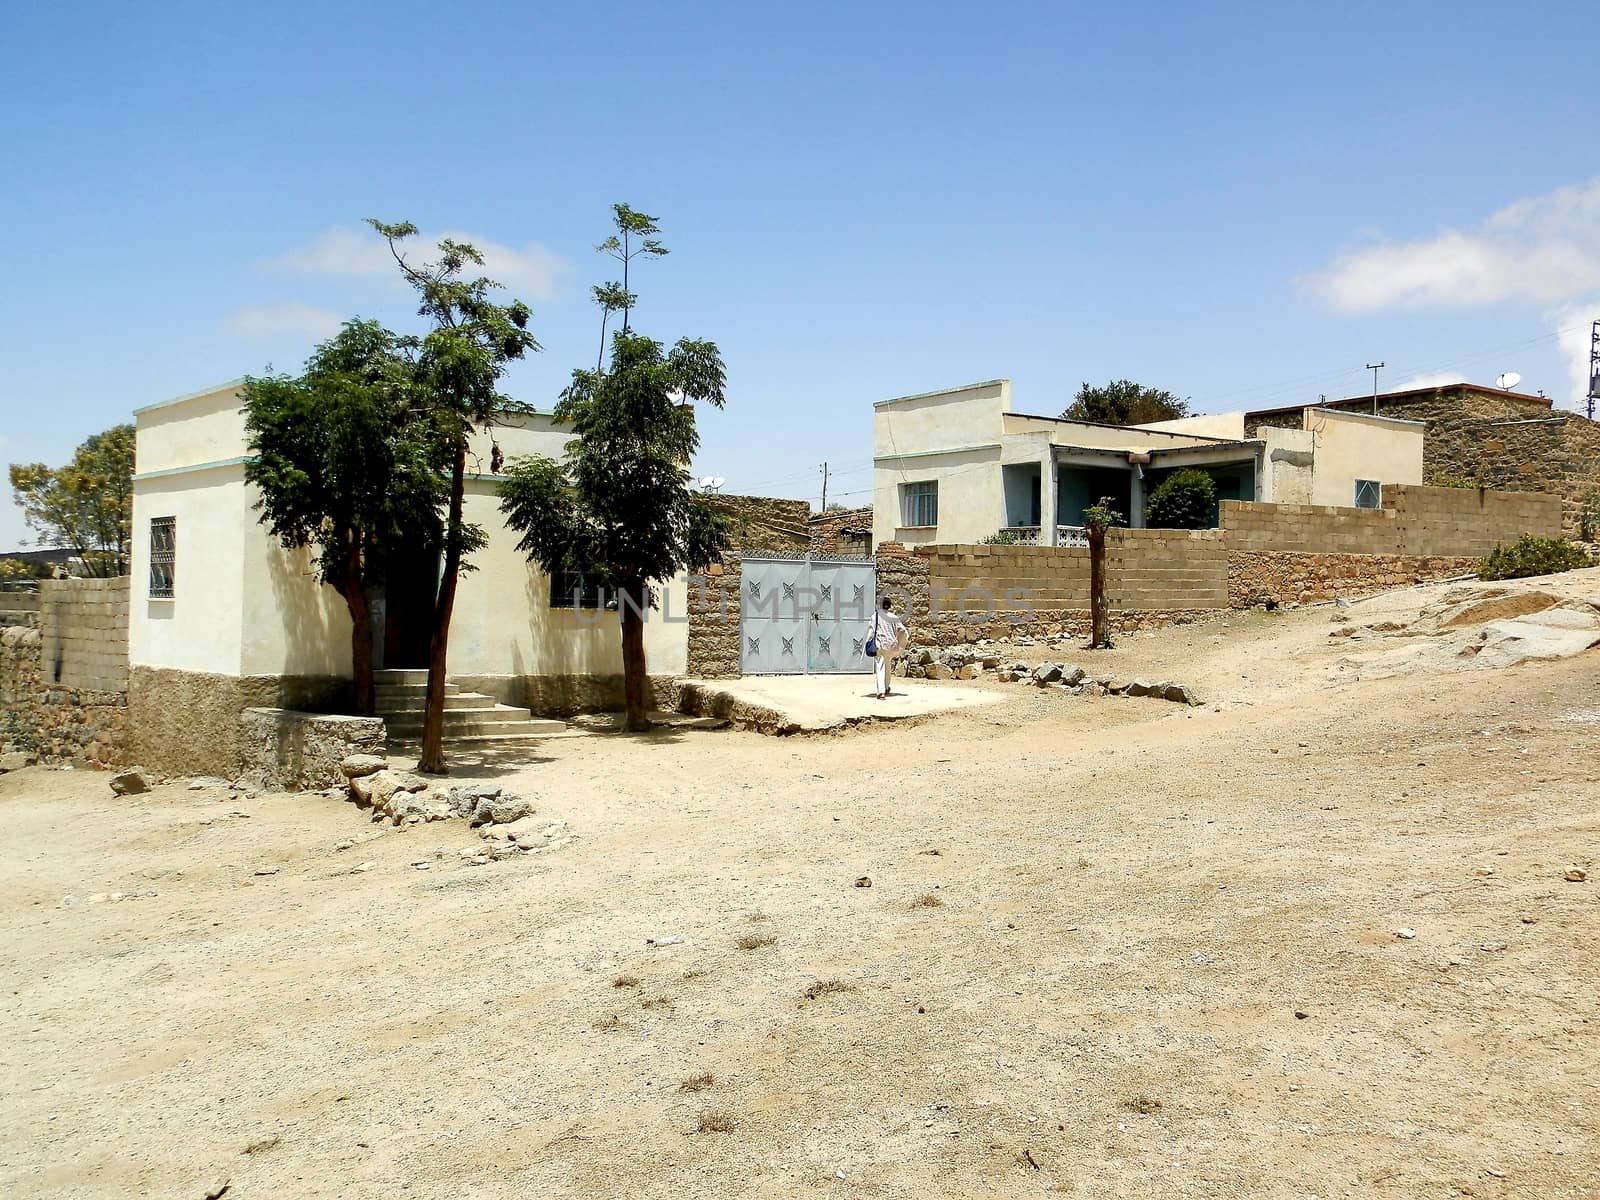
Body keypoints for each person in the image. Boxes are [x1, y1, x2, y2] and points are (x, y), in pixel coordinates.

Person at [869, 596, 909, 700]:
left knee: (880, 666)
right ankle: (886, 687)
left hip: (880, 645)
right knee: (887, 665)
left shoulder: (875, 616)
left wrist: (868, 642)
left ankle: (881, 692)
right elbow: (903, 630)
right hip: (891, 646)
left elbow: (871, 631)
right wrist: (903, 641)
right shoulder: (893, 617)